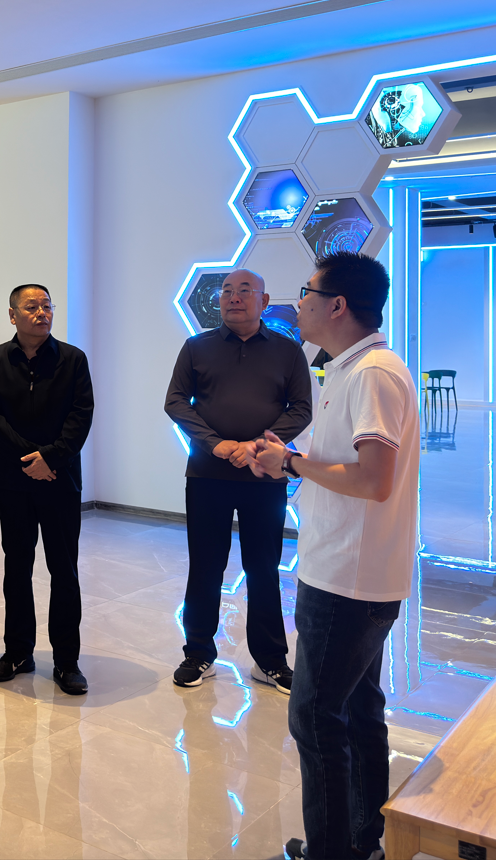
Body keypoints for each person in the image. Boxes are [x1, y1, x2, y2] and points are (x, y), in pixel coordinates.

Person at [244, 252, 419, 860]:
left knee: (316, 720)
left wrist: (292, 463)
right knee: (358, 709)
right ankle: (361, 840)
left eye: (307, 291)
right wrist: (288, 458)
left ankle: (333, 852)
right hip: (354, 571)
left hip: (348, 578)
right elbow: (347, 464)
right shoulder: (351, 368)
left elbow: (374, 479)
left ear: (338, 305)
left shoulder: (372, 373)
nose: (298, 303)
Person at [164, 268, 312, 693]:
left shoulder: (288, 350)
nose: (233, 297)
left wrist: (257, 446)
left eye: (245, 290)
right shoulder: (197, 347)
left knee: (263, 567)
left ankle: (270, 660)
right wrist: (217, 445)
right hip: (207, 474)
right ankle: (198, 652)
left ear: (263, 301)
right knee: (205, 565)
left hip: (265, 474)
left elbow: (301, 408)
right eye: (227, 291)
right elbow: (176, 401)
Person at [0, 283, 94, 696]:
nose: (42, 313)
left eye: (47, 306)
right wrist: (31, 459)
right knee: (17, 567)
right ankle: (17, 652)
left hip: (60, 480)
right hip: (13, 481)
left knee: (64, 569)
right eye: (32, 307)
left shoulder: (72, 359)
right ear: (13, 315)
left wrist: (51, 459)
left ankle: (67, 661)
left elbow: (81, 416)